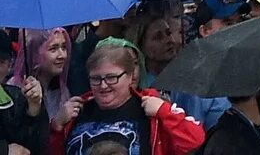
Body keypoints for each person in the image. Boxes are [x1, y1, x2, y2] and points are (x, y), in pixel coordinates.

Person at [49, 40, 206, 155]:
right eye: (96, 79)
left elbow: (195, 140)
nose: (103, 85)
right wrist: (56, 127)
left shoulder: (151, 108)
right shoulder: (75, 111)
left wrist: (164, 111)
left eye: (111, 78)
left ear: (131, 77)